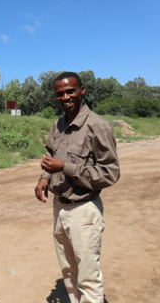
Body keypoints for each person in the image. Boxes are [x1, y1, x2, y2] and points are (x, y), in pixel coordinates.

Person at [34, 72, 120, 303]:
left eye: (70, 91)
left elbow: (110, 173)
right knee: (69, 272)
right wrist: (44, 177)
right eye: (60, 94)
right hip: (60, 207)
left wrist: (66, 167)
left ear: (82, 90)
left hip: (84, 209)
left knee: (88, 277)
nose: (65, 97)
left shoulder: (97, 126)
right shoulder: (59, 124)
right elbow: (51, 154)